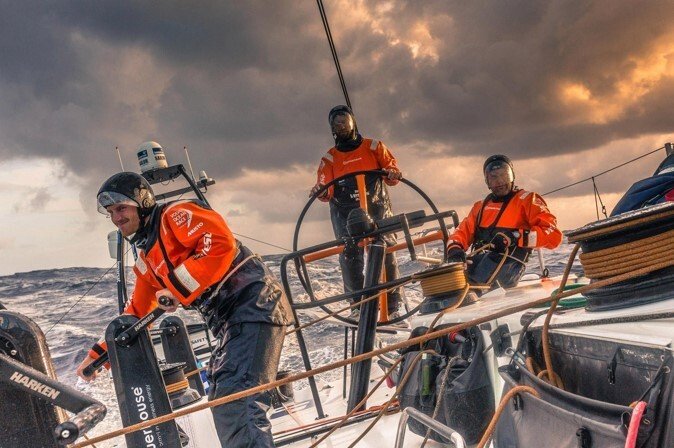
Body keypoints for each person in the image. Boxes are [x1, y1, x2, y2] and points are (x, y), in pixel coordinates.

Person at [76, 171, 293, 447]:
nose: (116, 217)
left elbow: (219, 243)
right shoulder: (147, 260)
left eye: (121, 208)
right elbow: (137, 312)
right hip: (231, 321)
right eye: (110, 212)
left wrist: (177, 286)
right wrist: (99, 355)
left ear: (142, 203)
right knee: (222, 393)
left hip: (256, 303)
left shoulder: (175, 216)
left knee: (236, 397)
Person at [310, 105, 404, 319]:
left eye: (344, 120)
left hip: (377, 207)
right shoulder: (330, 159)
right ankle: (358, 306)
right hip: (345, 214)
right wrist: (320, 191)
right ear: (332, 128)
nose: (341, 125)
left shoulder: (374, 147)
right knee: (349, 254)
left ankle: (392, 306)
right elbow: (325, 188)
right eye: (336, 122)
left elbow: (392, 174)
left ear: (353, 122)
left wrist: (392, 173)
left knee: (385, 249)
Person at [446, 155, 562, 289]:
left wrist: (516, 237)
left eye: (504, 175)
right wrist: (454, 249)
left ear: (512, 176)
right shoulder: (480, 207)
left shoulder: (527, 200)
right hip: (479, 263)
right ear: (487, 181)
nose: (500, 181)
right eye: (494, 177)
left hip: (508, 266)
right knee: (449, 286)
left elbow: (553, 236)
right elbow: (461, 233)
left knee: (469, 289)